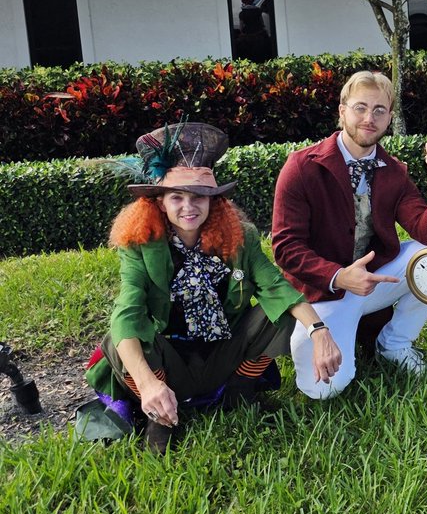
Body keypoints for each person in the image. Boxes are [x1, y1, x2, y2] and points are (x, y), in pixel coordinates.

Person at [85, 123, 342, 452]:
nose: (188, 206)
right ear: (159, 203)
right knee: (122, 338)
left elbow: (276, 287)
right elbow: (127, 313)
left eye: (199, 197)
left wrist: (320, 331)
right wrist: (149, 384)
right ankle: (160, 415)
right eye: (176, 197)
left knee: (276, 314)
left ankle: (239, 391)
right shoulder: (140, 246)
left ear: (214, 201)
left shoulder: (242, 238)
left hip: (223, 354)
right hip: (170, 361)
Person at [272, 70, 427, 394]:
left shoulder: (393, 171)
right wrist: (339, 276)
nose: (369, 118)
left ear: (389, 119)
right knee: (323, 389)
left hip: (374, 284)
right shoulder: (302, 166)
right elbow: (285, 248)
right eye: (360, 107)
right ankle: (331, 334)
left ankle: (395, 344)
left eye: (379, 110)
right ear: (342, 110)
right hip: (324, 293)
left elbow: (426, 232)